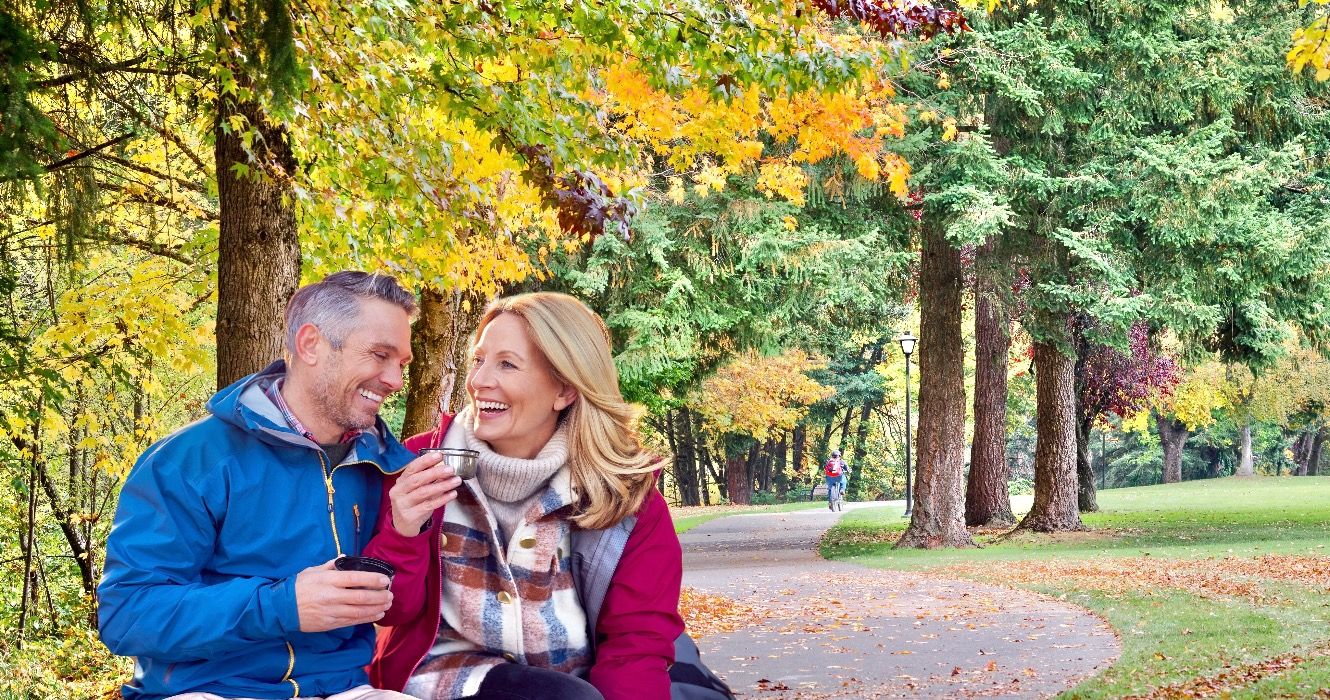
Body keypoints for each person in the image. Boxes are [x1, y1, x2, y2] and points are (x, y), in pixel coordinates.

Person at [98, 272, 458, 700]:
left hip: (343, 689)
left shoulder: (382, 465)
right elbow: (127, 615)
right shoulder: (191, 460)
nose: (395, 381)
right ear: (310, 345)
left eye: (401, 363)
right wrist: (283, 606)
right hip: (211, 690)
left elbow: (395, 609)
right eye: (379, 355)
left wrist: (404, 531)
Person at [364, 291, 684, 700]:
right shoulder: (418, 465)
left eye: (507, 365)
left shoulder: (624, 495)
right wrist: (403, 532)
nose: (479, 381)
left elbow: (636, 644)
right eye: (479, 360)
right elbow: (392, 612)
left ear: (565, 391)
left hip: (578, 681)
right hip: (445, 676)